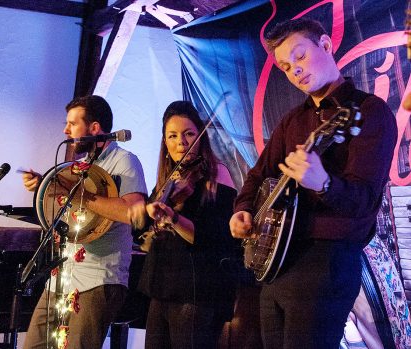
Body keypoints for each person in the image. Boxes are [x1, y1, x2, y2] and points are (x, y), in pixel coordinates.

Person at [229, 17, 398, 348]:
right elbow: (258, 174)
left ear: (325, 45)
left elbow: (364, 201)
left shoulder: (369, 111)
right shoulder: (293, 120)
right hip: (276, 262)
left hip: (326, 263)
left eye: (301, 56)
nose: (295, 70)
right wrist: (243, 209)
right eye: (286, 67)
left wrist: (324, 184)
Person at [21, 95, 147, 349]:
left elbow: (132, 211)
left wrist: (81, 196)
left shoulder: (124, 161)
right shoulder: (81, 165)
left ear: (94, 128)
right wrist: (46, 185)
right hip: (63, 276)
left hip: (99, 278)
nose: (65, 130)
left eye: (72, 123)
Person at [129, 101, 248, 348]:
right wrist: (144, 213)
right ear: (164, 142)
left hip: (195, 290)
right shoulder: (167, 180)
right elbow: (142, 237)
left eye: (189, 134)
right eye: (172, 136)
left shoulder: (218, 175)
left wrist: (173, 217)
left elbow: (215, 237)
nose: (181, 142)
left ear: (200, 137)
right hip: (162, 286)